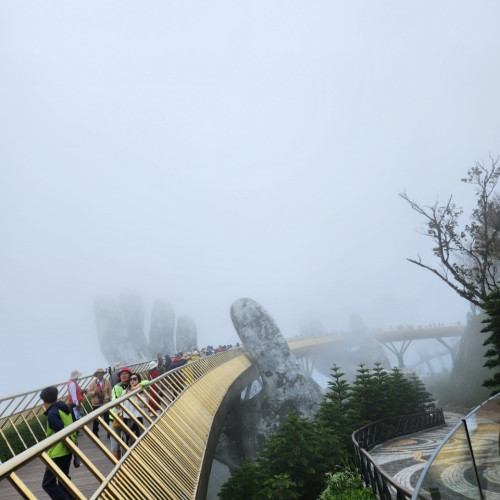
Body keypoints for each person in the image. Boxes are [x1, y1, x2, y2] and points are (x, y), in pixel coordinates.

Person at [40, 386, 77, 500]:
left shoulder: (52, 413)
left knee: (48, 484)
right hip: (67, 450)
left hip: (57, 452)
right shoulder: (64, 408)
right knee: (63, 481)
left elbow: (61, 433)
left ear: (44, 401)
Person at [123, 372, 147, 445]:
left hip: (137, 418)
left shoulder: (141, 391)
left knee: (138, 441)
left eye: (134, 379)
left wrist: (136, 392)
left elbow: (142, 404)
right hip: (127, 418)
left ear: (138, 380)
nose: (132, 381)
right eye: (130, 379)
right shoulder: (125, 392)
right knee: (128, 440)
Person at [87, 368, 112, 437]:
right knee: (96, 420)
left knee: (107, 418)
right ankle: (95, 433)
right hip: (96, 404)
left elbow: (110, 391)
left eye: (102, 373)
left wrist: (109, 398)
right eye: (99, 373)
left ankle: (109, 433)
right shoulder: (93, 383)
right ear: (97, 375)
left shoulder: (107, 382)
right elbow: (88, 393)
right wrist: (94, 392)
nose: (100, 375)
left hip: (105, 403)